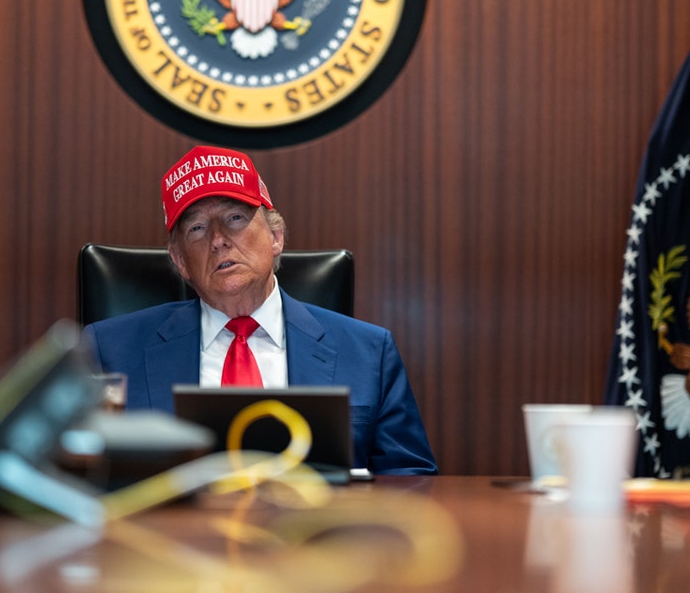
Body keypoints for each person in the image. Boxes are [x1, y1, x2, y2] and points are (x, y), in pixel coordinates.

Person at [82, 145, 438, 475]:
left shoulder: (369, 353)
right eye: (197, 228)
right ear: (180, 261)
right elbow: (81, 478)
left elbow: (411, 482)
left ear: (275, 237)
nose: (218, 239)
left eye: (235, 217)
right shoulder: (110, 350)